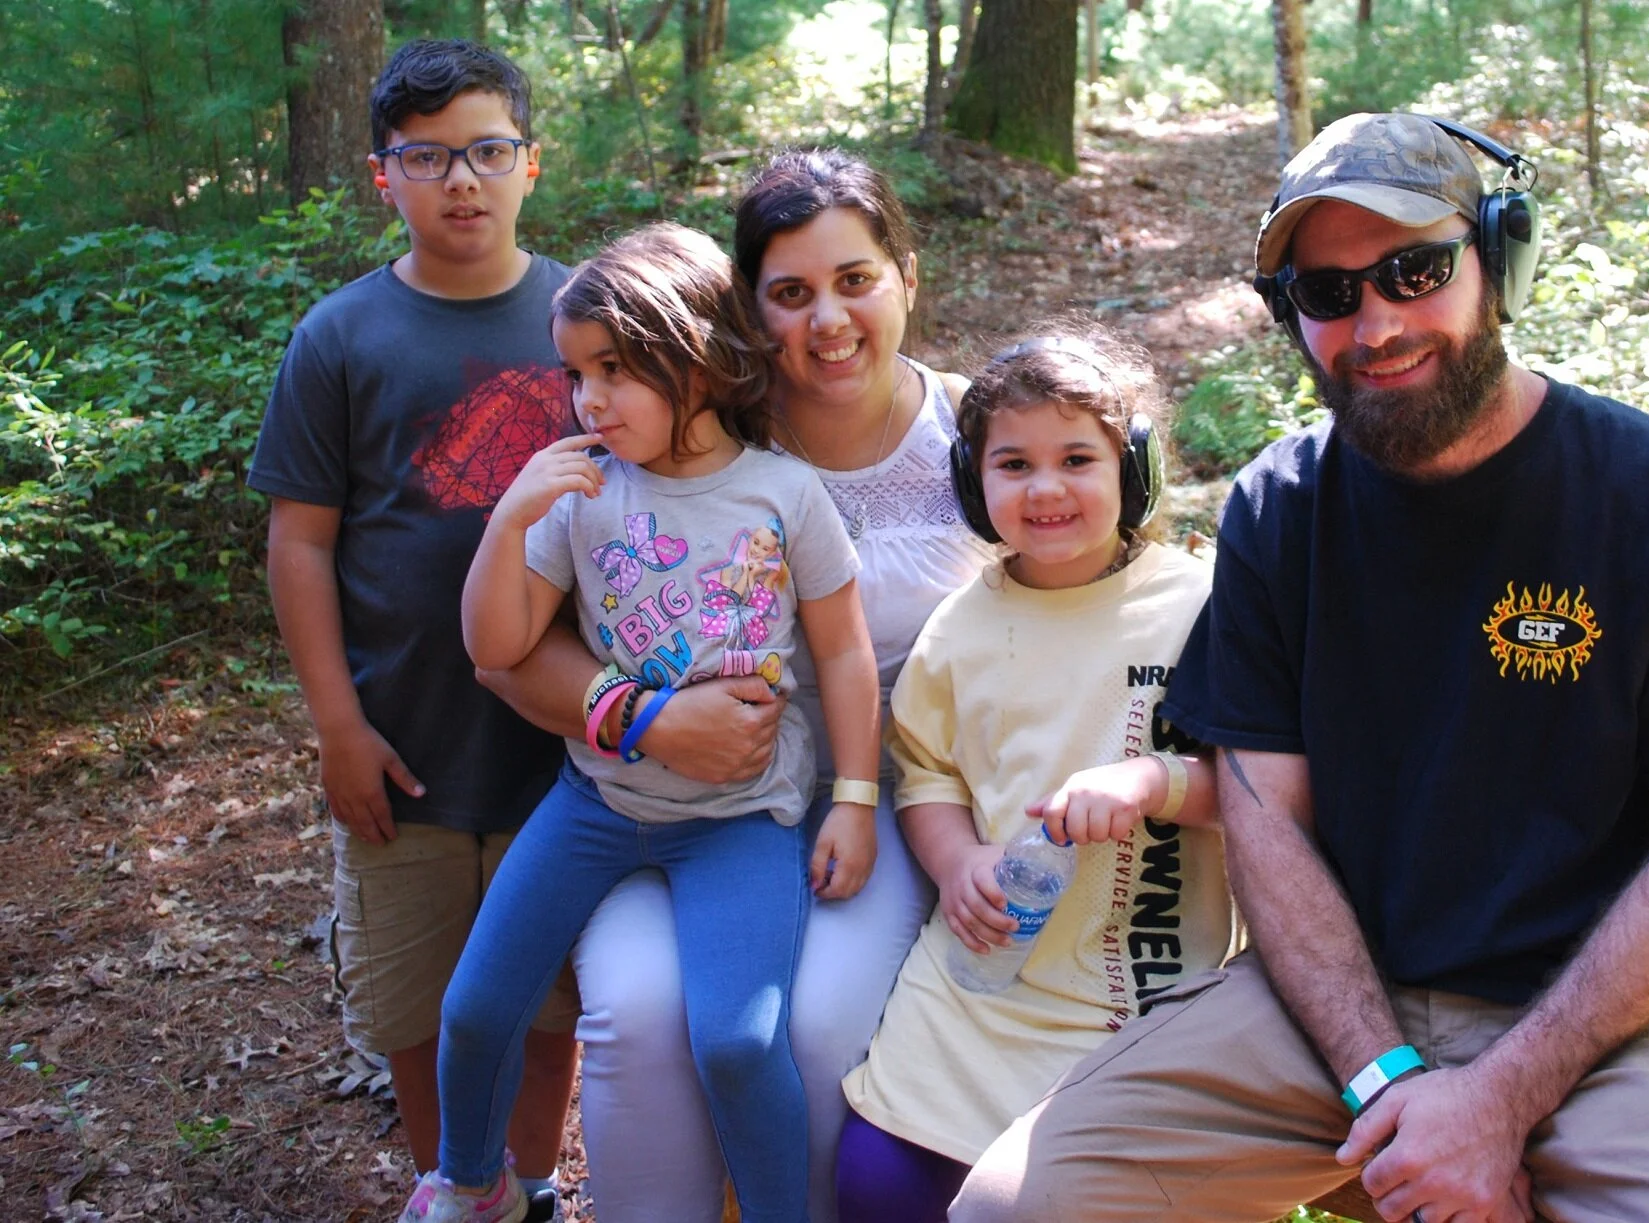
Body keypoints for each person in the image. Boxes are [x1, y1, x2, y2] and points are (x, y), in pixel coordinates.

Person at [952, 111, 1649, 1223]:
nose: (1375, 323)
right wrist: (1388, 1080)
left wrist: (1499, 1096)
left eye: (1415, 271)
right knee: (1011, 1207)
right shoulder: (1278, 507)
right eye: (1328, 292)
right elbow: (1266, 822)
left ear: (1497, 258)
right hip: (1330, 1007)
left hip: (1604, 1026)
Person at [476, 148, 993, 1222]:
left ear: (907, 277)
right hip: (674, 793)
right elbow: (510, 649)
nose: (828, 319)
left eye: (856, 279)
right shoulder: (669, 432)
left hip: (893, 802)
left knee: (809, 1026)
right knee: (634, 1012)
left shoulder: (978, 434)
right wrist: (648, 717)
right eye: (790, 292)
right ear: (744, 315)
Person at [394, 221, 882, 1223]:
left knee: (739, 1042)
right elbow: (495, 643)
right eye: (576, 374)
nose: (589, 399)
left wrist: (856, 799)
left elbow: (843, 651)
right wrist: (510, 517)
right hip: (597, 803)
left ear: (695, 357)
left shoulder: (783, 493)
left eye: (614, 370)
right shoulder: (583, 492)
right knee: (476, 1008)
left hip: (742, 818)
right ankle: (473, 1186)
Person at [247, 37, 578, 1213]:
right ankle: (454, 1186)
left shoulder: (585, 317)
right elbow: (301, 541)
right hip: (402, 747)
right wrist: (337, 725)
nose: (461, 181)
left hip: (561, 747)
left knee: (545, 998)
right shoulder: (341, 336)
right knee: (418, 1001)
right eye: (427, 157)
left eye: (487, 151)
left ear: (529, 162)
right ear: (381, 176)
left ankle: (530, 1181)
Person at [834, 326, 1238, 1221]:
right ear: (972, 483)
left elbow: (1261, 788)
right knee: (874, 1182)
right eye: (1013, 464)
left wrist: (1154, 785)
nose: (1045, 488)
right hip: (981, 983)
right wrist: (955, 863)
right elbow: (928, 773)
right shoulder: (958, 628)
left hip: (1139, 993)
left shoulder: (1201, 607)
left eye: (1077, 459)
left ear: (1135, 469)